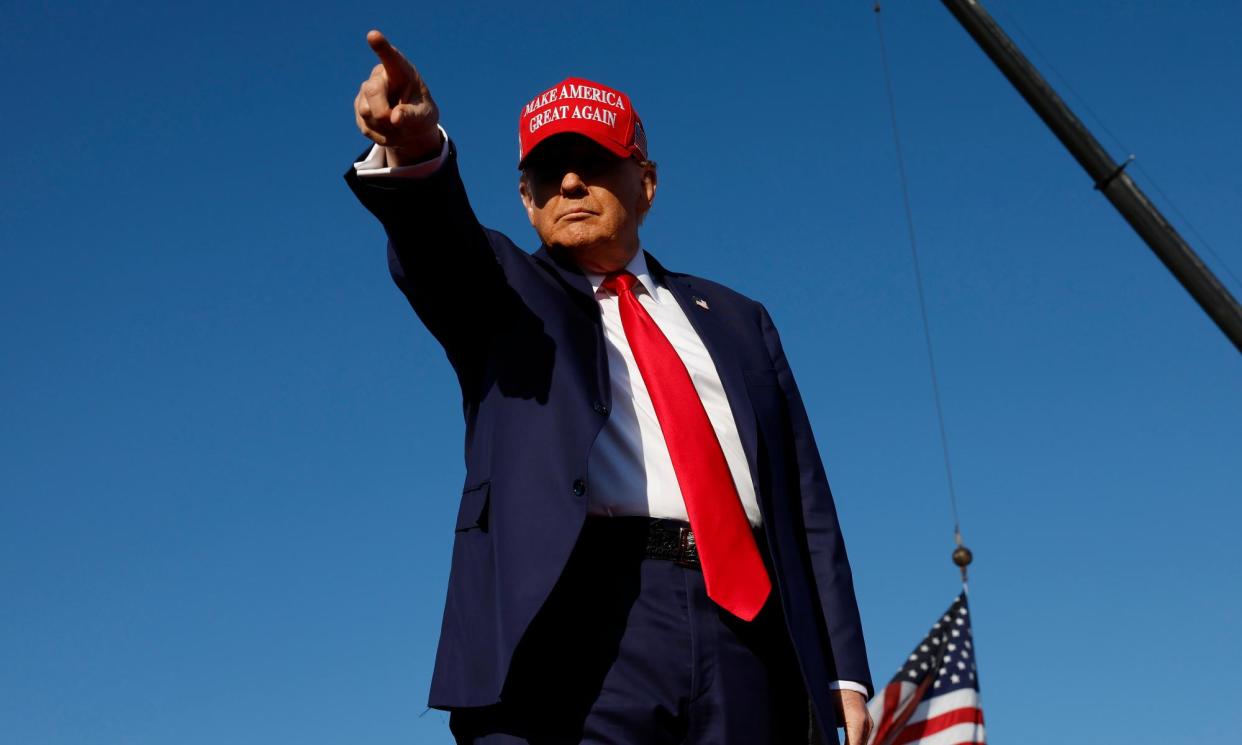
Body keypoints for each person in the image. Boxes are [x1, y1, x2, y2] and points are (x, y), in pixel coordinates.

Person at [345, 29, 875, 745]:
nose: (569, 184)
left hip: (748, 631)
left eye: (592, 163)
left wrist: (842, 667)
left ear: (646, 183)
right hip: (575, 624)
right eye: (549, 170)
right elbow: (438, 244)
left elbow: (806, 499)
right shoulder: (503, 293)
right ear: (527, 199)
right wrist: (416, 152)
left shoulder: (741, 320)